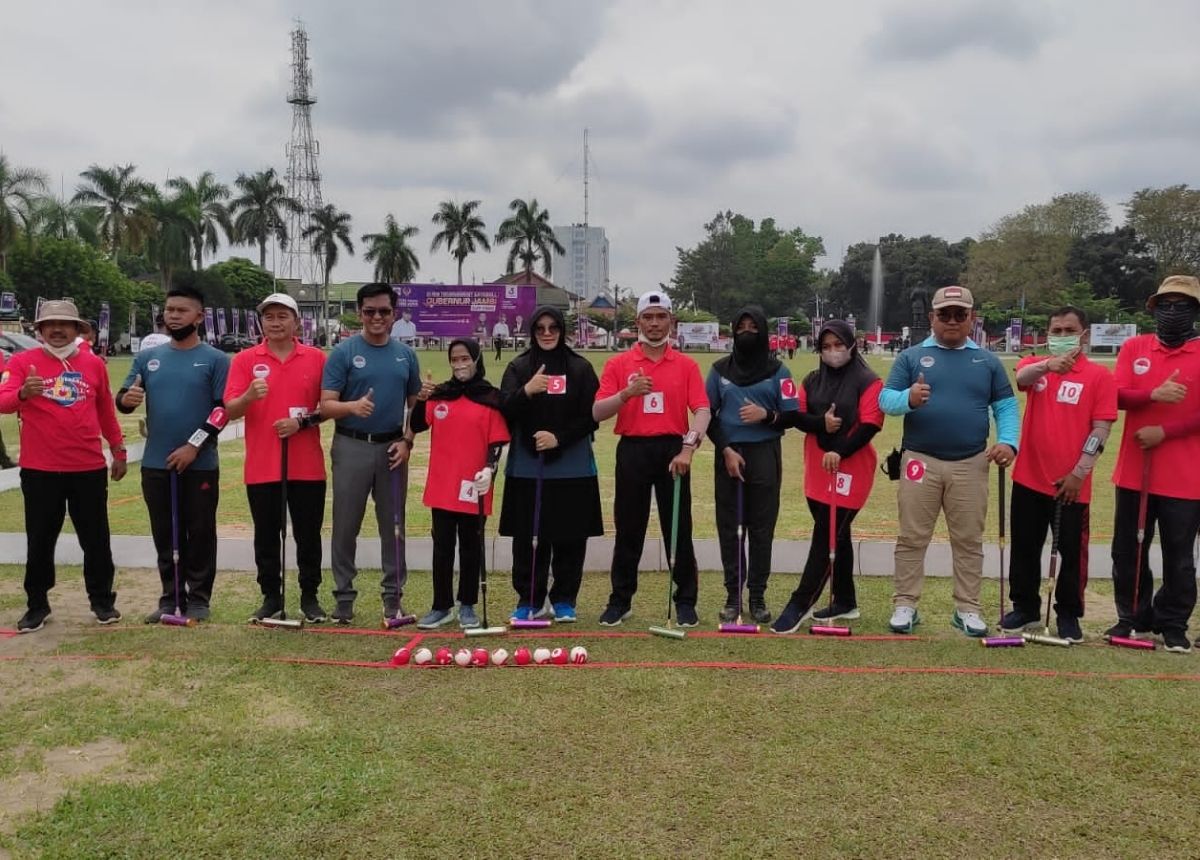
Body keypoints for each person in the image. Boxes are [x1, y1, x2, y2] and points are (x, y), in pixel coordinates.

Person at [878, 286, 1018, 637]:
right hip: (919, 460)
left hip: (970, 462)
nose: (952, 320)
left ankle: (968, 608)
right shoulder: (911, 357)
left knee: (968, 539)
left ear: (972, 318)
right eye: (944, 314)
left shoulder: (987, 361)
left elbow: (1005, 407)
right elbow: (885, 400)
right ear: (932, 318)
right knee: (912, 537)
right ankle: (905, 604)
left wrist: (1008, 442)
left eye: (960, 314)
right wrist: (909, 398)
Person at [0, 301, 127, 632]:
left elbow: (105, 411)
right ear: (40, 330)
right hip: (40, 469)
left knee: (95, 538)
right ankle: (37, 605)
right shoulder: (22, 362)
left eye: (64, 324)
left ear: (77, 329)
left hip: (87, 467)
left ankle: (102, 601)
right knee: (40, 539)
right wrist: (23, 394)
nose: (57, 330)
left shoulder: (93, 364)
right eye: (50, 324)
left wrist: (118, 449)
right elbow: (3, 402)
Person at [754, 319, 884, 633]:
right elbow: (797, 416)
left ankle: (799, 604)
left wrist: (840, 450)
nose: (833, 351)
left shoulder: (869, 381)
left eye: (839, 345)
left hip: (851, 469)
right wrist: (820, 424)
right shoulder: (812, 380)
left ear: (852, 345)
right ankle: (845, 600)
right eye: (826, 346)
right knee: (837, 533)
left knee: (826, 536)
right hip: (817, 468)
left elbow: (871, 424)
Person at [593, 290, 710, 626]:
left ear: (671, 321)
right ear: (638, 322)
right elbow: (597, 411)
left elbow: (702, 410)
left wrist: (688, 448)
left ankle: (685, 600)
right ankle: (620, 600)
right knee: (629, 528)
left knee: (679, 527)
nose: (655, 324)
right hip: (633, 449)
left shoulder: (685, 365)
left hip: (674, 449)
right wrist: (626, 394)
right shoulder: (619, 364)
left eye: (661, 317)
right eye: (648, 317)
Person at [1001, 307, 1116, 643]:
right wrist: (1048, 365)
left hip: (1071, 484)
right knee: (1025, 546)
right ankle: (1025, 607)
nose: (1062, 336)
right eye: (1056, 331)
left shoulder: (1099, 376)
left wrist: (1079, 473)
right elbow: (1022, 378)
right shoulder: (1037, 366)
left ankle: (1068, 612)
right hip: (1028, 478)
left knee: (1071, 553)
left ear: (1084, 335)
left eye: (1069, 331)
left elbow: (1101, 430)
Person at [116, 286, 230, 623]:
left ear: (200, 317)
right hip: (156, 463)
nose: (174, 316)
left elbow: (221, 411)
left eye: (182, 310)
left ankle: (199, 599)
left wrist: (193, 446)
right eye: (169, 310)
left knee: (200, 532)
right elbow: (123, 398)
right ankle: (171, 598)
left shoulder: (216, 359)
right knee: (165, 534)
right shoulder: (148, 358)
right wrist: (126, 401)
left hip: (200, 463)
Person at [1106, 275, 1200, 653]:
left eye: (1182, 306)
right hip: (1134, 472)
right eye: (1165, 305)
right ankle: (1132, 616)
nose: (1172, 312)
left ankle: (1172, 622)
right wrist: (1152, 395)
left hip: (1185, 476)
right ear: (1154, 309)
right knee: (1128, 551)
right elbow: (1116, 395)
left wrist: (1166, 431)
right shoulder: (1135, 347)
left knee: (1179, 555)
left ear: (1195, 311)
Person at [320, 283, 423, 625]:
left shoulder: (405, 355)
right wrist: (352, 407)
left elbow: (415, 407)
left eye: (384, 311)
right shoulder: (344, 352)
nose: (377, 317)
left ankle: (393, 598)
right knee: (345, 524)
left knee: (393, 525)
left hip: (392, 448)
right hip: (351, 445)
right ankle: (344, 597)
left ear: (394, 314)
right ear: (360, 313)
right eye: (369, 311)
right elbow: (326, 404)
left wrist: (407, 441)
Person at [225, 293, 329, 623]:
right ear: (261, 323)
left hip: (307, 465)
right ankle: (271, 596)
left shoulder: (316, 358)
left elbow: (329, 408)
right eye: (268, 317)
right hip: (262, 465)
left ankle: (310, 596)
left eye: (282, 316)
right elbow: (230, 410)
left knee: (308, 535)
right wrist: (248, 396)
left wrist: (302, 423)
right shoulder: (244, 360)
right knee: (266, 536)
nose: (275, 322)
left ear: (297, 322)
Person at [499, 306, 603, 623]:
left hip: (572, 464)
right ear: (532, 332)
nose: (547, 333)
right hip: (528, 465)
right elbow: (504, 410)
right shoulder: (518, 367)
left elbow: (592, 417)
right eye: (540, 328)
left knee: (570, 535)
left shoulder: (581, 368)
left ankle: (564, 599)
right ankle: (530, 599)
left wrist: (559, 438)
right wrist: (526, 391)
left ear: (561, 330)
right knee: (528, 537)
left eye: (553, 327)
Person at [704, 306, 799, 624]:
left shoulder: (780, 371)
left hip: (764, 455)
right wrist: (726, 449)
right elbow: (707, 415)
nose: (747, 331)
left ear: (763, 331)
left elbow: (793, 415)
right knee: (730, 528)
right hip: (729, 455)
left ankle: (757, 596)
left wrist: (766, 415)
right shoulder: (719, 370)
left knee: (761, 528)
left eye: (753, 326)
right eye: (741, 326)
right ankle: (733, 596)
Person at [409, 339, 510, 629]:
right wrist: (421, 399)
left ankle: (467, 605)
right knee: (442, 547)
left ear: (476, 360)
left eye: (465, 358)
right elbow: (417, 425)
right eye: (454, 359)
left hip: (474, 487)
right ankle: (441, 606)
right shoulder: (440, 394)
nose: (460, 364)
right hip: (442, 486)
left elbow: (498, 441)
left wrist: (489, 469)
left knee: (470, 547)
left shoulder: (490, 398)